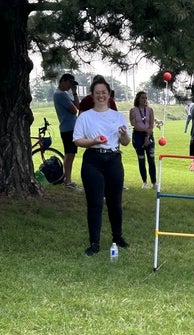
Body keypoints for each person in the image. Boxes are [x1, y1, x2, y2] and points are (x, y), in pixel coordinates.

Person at [73, 78, 131, 256]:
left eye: (104, 93)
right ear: (92, 95)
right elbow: (77, 140)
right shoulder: (85, 116)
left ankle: (118, 237)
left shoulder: (117, 116)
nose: (101, 96)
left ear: (109, 95)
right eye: (97, 93)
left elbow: (126, 142)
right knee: (95, 203)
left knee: (115, 202)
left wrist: (123, 135)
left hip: (113, 159)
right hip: (93, 160)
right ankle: (94, 243)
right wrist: (93, 141)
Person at [53, 73, 80, 190]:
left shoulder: (64, 94)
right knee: (69, 155)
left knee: (71, 154)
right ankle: (67, 181)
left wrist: (74, 93)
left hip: (70, 128)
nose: (70, 86)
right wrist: (74, 104)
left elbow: (77, 106)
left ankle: (67, 180)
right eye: (70, 83)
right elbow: (74, 110)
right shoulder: (60, 95)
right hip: (68, 128)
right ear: (63, 81)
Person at [129, 91, 157, 189]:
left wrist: (147, 135)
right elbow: (134, 124)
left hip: (149, 135)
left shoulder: (150, 110)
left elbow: (151, 124)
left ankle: (154, 183)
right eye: (142, 98)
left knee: (151, 160)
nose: (145, 100)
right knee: (141, 159)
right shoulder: (133, 110)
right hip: (138, 136)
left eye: (146, 98)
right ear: (138, 99)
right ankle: (144, 182)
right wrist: (145, 130)